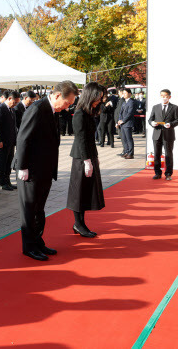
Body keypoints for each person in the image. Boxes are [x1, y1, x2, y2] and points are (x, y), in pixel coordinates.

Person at [16, 80, 79, 261]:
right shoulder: (37, 109)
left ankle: (38, 242)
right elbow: (23, 139)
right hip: (31, 170)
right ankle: (29, 247)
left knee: (39, 209)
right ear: (57, 95)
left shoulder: (53, 110)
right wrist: (22, 167)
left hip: (44, 169)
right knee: (29, 210)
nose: (67, 107)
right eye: (67, 103)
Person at [67, 82, 106, 238]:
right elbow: (81, 139)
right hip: (81, 158)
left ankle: (81, 223)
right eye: (98, 97)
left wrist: (94, 158)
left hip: (89, 156)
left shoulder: (89, 113)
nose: (100, 101)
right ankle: (78, 223)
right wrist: (86, 160)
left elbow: (89, 139)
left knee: (86, 191)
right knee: (79, 192)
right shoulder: (79, 114)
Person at [148, 89, 178, 181]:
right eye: (162, 95)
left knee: (168, 154)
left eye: (166, 96)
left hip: (168, 134)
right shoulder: (155, 107)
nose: (164, 97)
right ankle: (157, 173)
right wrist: (152, 123)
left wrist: (170, 124)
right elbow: (150, 119)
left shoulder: (174, 107)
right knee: (157, 154)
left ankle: (168, 173)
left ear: (169, 97)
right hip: (157, 134)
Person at [0, 90, 21, 191]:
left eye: (17, 103)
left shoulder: (12, 110)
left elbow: (13, 126)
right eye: (15, 102)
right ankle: (3, 182)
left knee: (9, 162)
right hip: (3, 142)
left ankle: (8, 181)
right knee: (2, 162)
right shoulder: (0, 109)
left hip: (10, 141)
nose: (15, 104)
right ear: (9, 99)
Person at [116, 88, 135, 159]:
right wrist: (119, 120)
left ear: (129, 94)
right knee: (124, 138)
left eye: (125, 93)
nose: (123, 94)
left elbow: (130, 113)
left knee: (129, 139)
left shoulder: (131, 102)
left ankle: (131, 153)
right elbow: (120, 112)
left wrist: (123, 120)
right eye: (123, 93)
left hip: (128, 123)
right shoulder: (124, 102)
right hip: (122, 124)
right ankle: (126, 151)